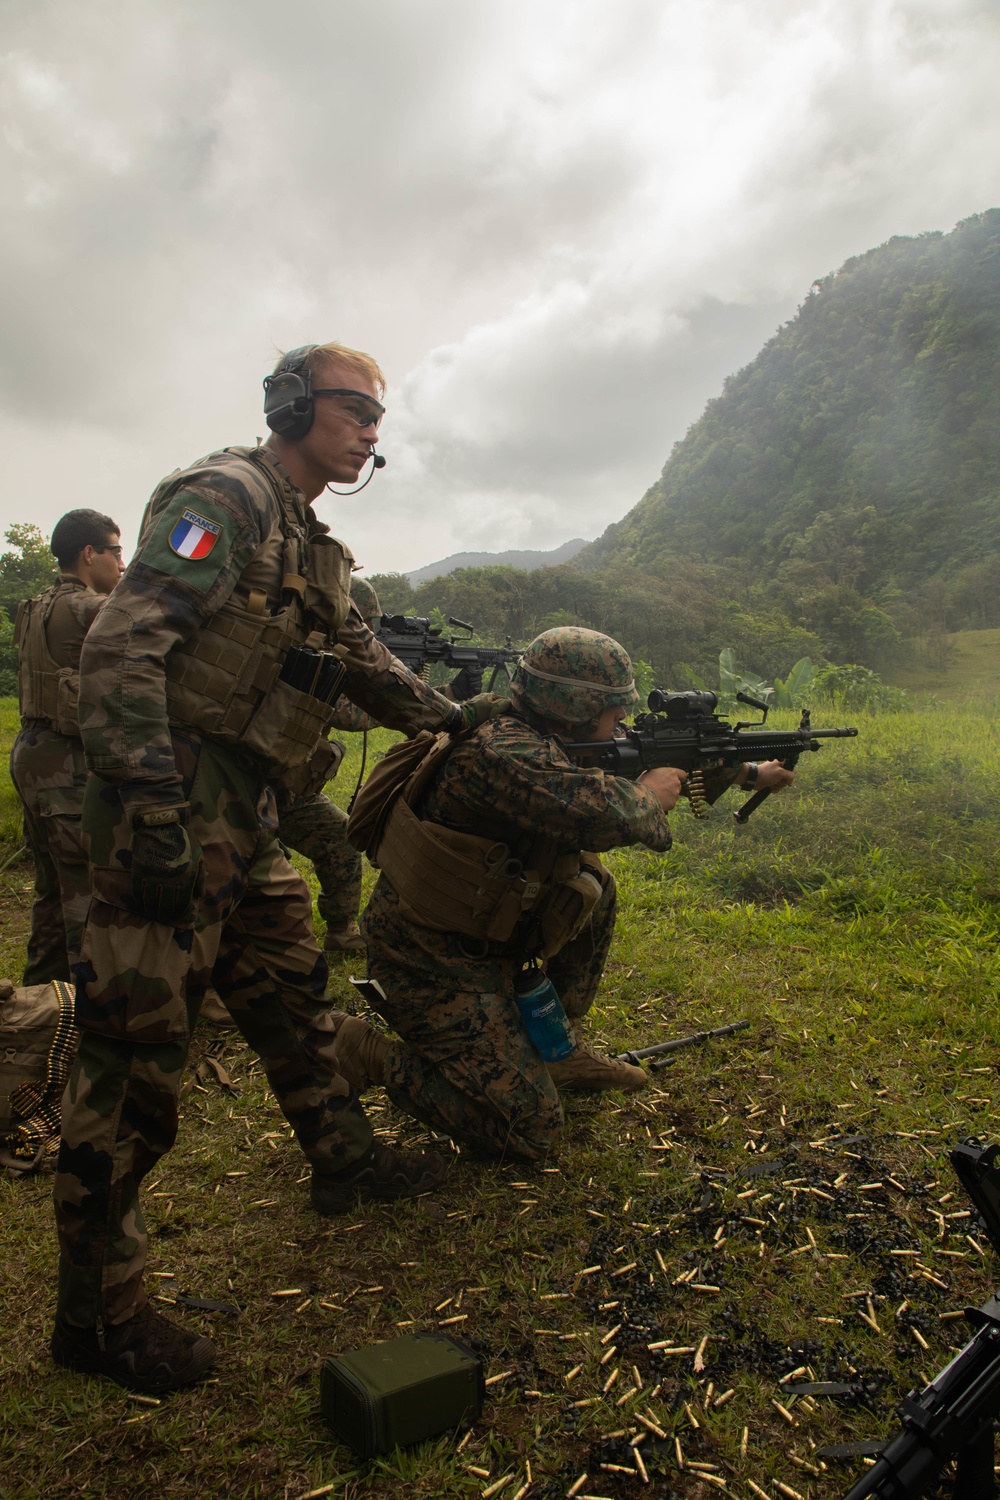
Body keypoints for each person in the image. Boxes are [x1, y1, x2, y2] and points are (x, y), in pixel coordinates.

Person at [51, 341, 505, 1395]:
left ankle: (343, 1158)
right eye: (354, 409)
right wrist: (155, 809)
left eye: (380, 418)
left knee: (292, 990)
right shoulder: (225, 499)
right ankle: (95, 1319)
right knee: (132, 1065)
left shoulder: (309, 544)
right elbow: (122, 648)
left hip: (244, 808)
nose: (371, 431)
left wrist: (462, 719)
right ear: (293, 404)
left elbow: (362, 661)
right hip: (168, 793)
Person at [356, 627, 794, 1164]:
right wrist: (649, 794)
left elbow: (644, 753)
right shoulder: (504, 752)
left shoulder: (539, 730)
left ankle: (555, 1048)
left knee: (589, 886)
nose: (620, 721)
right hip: (428, 960)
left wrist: (752, 771)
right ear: (576, 707)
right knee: (529, 1130)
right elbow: (607, 812)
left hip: (477, 934)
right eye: (613, 709)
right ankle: (363, 1052)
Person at [10, 510, 126, 984]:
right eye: (116, 552)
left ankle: (40, 999)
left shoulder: (33, 606)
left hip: (31, 755)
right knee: (85, 890)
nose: (122, 563)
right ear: (89, 553)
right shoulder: (86, 609)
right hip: (65, 764)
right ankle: (87, 1017)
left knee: (50, 889)